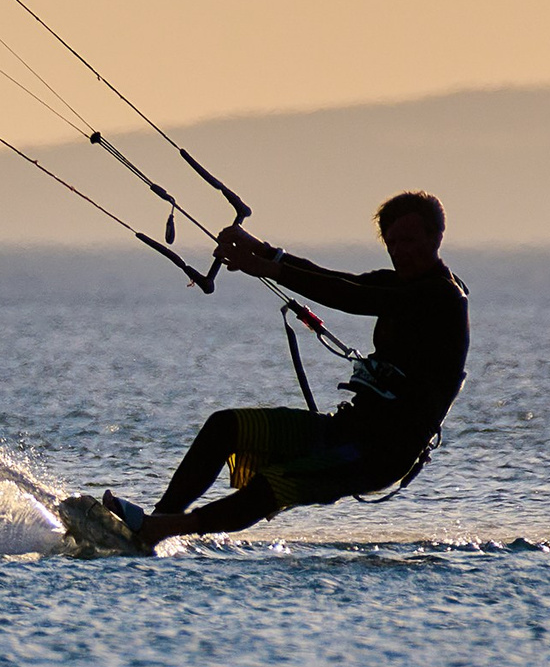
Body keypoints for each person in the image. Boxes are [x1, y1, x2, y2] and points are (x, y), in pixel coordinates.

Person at [108, 190, 468, 546]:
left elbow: (354, 297)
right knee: (225, 426)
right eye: (392, 243)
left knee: (275, 483)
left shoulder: (444, 296)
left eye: (409, 239)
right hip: (345, 429)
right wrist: (264, 251)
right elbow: (337, 279)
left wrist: (271, 269)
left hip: (380, 453)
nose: (400, 251)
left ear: (436, 237)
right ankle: (151, 525)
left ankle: (161, 530)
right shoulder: (397, 282)